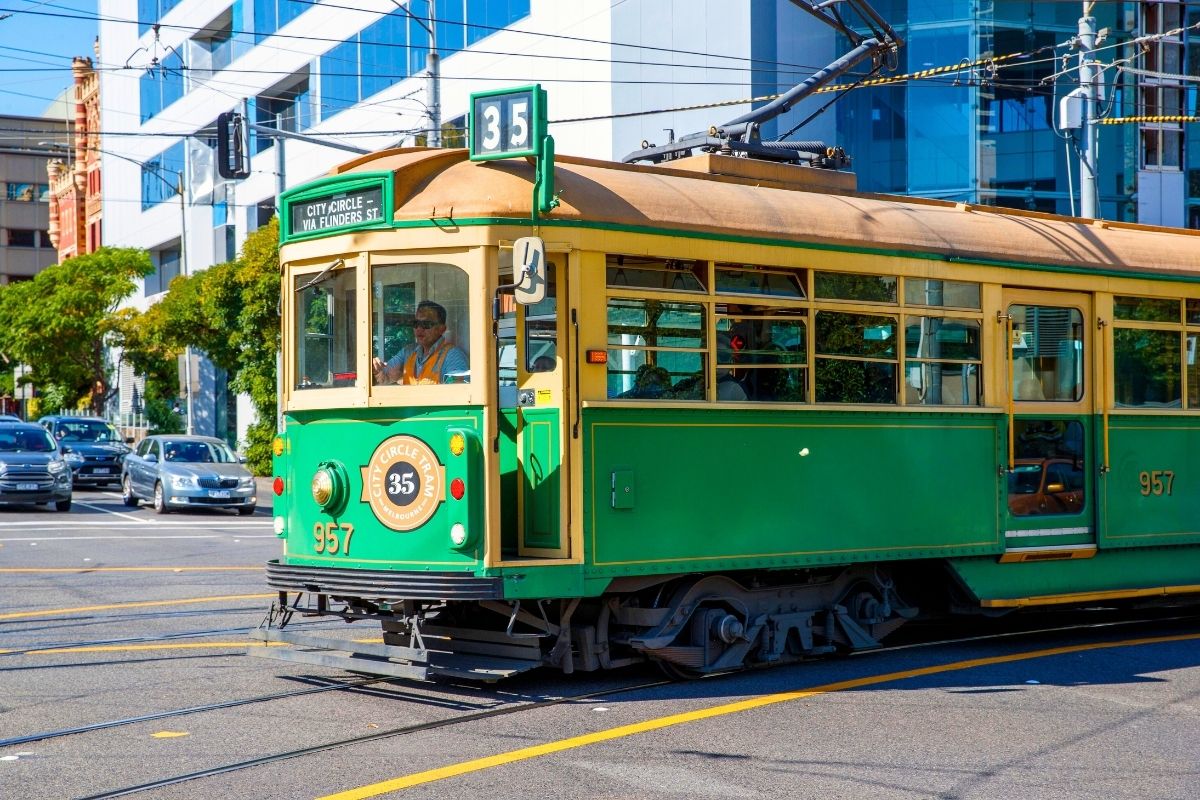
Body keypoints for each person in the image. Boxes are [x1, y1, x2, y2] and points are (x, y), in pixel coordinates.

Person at [372, 300, 469, 385]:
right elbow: (385, 376)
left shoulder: (453, 355)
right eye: (416, 324)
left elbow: (458, 394)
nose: (419, 329)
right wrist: (376, 369)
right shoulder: (408, 352)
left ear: (441, 329)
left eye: (426, 324)